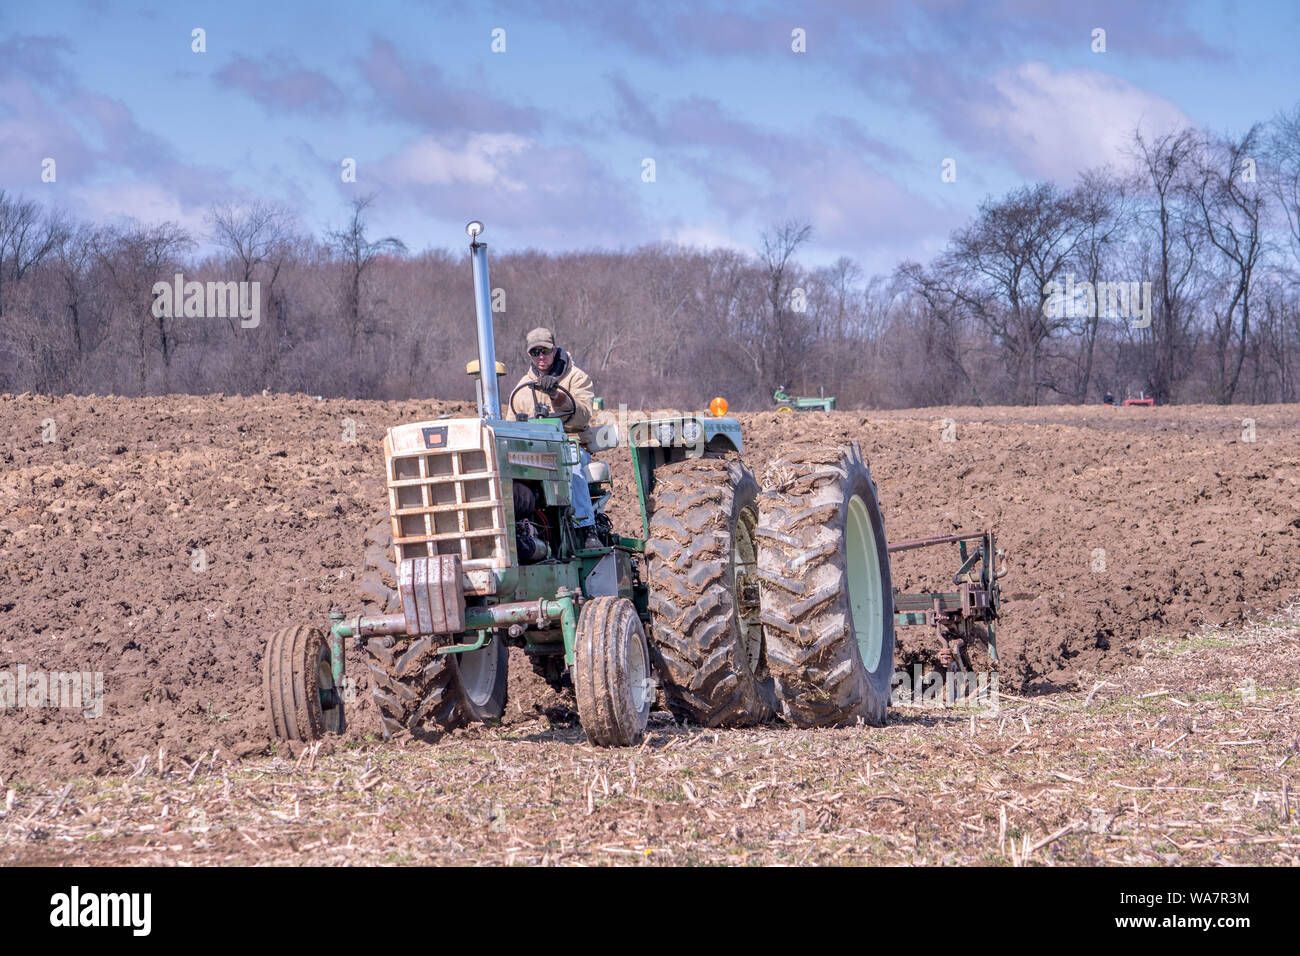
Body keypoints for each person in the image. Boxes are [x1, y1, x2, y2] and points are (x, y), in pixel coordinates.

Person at [509, 327, 602, 550]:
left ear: (555, 350)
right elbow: (511, 425)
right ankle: (520, 529)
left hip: (571, 443)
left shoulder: (577, 378)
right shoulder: (522, 388)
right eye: (535, 352)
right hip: (535, 449)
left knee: (572, 464)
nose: (541, 357)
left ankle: (586, 528)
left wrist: (557, 396)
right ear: (529, 355)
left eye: (545, 351)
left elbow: (582, 416)